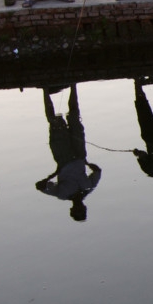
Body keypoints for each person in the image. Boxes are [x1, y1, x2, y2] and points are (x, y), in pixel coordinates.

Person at [34, 85, 100, 221]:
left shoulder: (62, 194)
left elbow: (39, 186)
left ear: (72, 210)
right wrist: (86, 163)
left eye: (77, 211)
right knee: (74, 117)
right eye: (82, 210)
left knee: (53, 121)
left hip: (62, 157)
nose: (79, 208)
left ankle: (45, 89)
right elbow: (98, 171)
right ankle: (73, 85)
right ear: (85, 208)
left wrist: (55, 173)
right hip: (80, 154)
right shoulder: (88, 188)